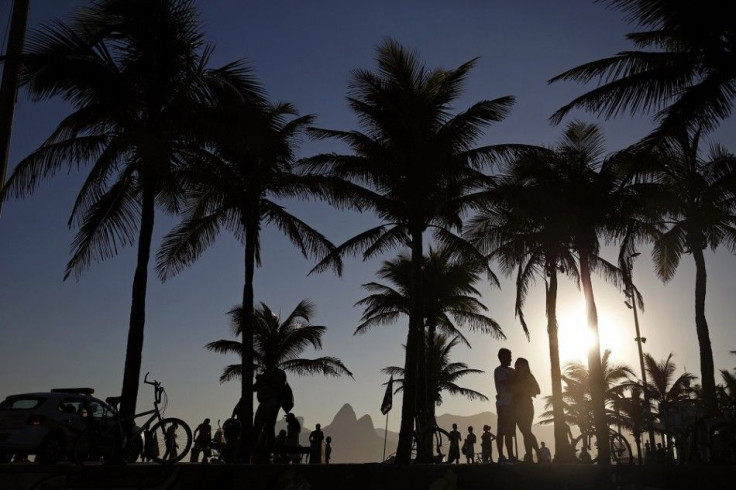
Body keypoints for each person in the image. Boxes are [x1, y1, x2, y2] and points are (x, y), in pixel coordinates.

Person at [252, 352, 287, 463]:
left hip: (272, 402)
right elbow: (254, 388)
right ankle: (256, 454)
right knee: (257, 427)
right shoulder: (265, 373)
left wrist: (263, 380)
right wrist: (258, 380)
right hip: (262, 403)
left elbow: (279, 387)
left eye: (268, 361)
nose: (266, 363)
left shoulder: (279, 373)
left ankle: (267, 454)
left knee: (269, 428)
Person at [512, 357, 541, 463]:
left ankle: (537, 453)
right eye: (515, 365)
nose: (516, 367)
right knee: (525, 432)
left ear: (524, 366)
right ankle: (529, 456)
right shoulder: (515, 377)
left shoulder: (528, 377)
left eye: (518, 365)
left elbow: (538, 390)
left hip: (526, 406)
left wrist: (524, 390)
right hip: (517, 407)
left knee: (526, 431)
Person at [494, 347, 517, 463]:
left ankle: (511, 456)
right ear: (502, 357)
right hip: (503, 405)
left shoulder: (512, 371)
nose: (511, 358)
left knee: (510, 432)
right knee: (502, 431)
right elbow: (507, 384)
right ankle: (501, 456)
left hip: (512, 405)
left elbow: (517, 382)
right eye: (509, 356)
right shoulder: (499, 370)